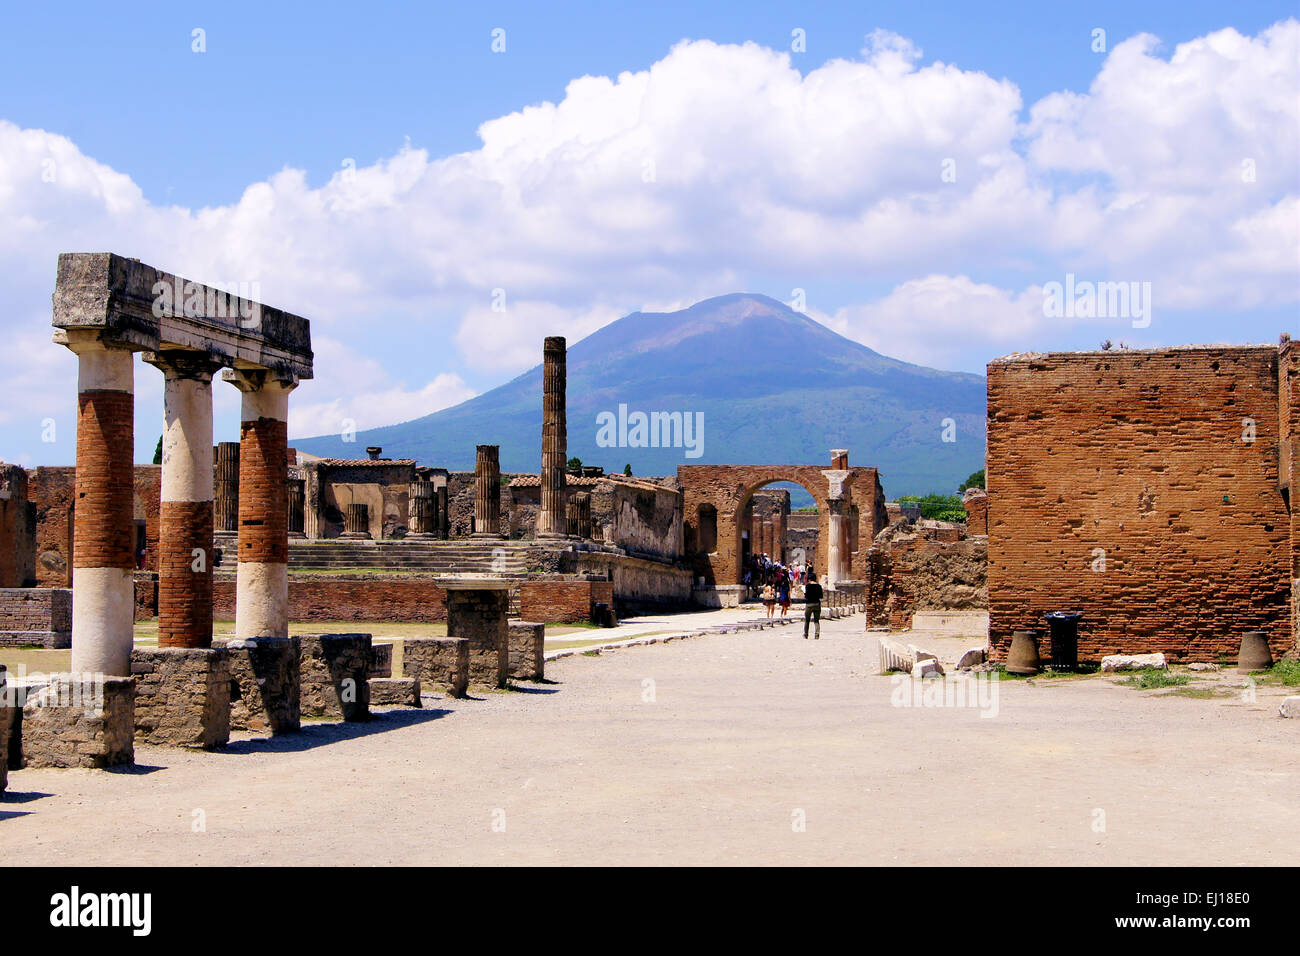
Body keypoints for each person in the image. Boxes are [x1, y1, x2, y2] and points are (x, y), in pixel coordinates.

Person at [802, 572, 823, 639]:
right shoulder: (819, 586)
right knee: (816, 621)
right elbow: (821, 596)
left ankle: (806, 634)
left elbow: (806, 596)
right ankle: (817, 634)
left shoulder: (807, 586)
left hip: (809, 604)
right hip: (817, 603)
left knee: (807, 620)